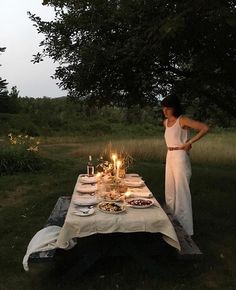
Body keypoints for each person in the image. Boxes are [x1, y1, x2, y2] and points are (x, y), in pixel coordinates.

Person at [161, 95, 209, 236]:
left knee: (181, 192)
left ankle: (185, 230)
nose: (165, 110)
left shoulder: (182, 120)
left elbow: (204, 128)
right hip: (170, 155)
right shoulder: (165, 122)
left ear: (174, 108)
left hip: (180, 156)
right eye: (163, 107)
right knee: (170, 192)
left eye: (168, 108)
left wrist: (189, 142)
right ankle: (171, 224)